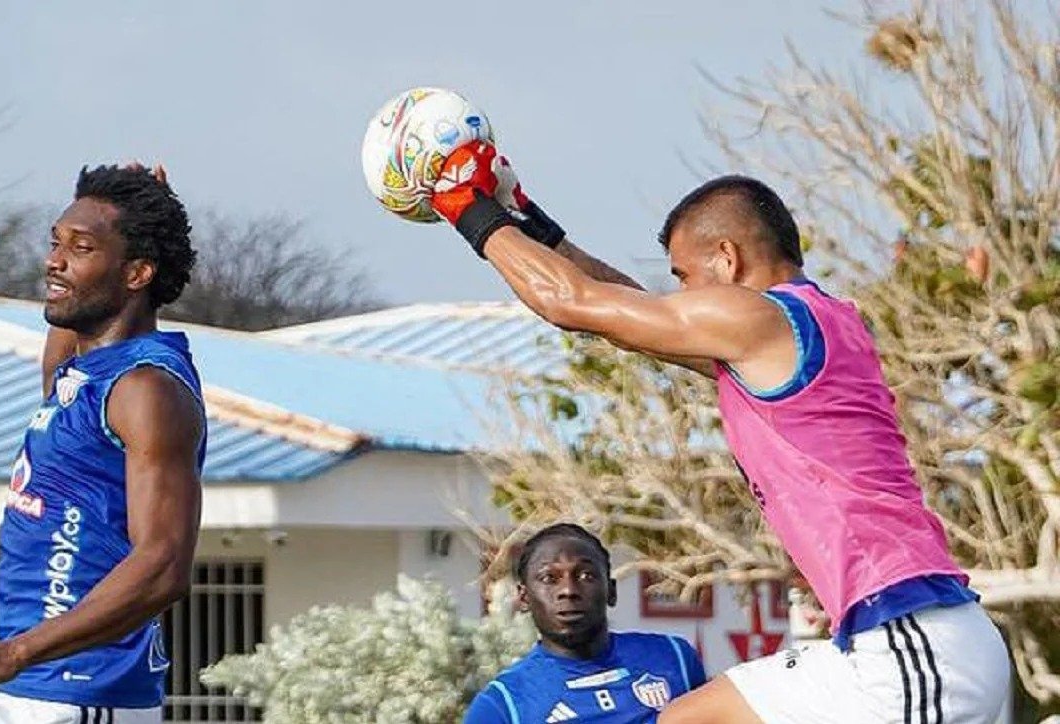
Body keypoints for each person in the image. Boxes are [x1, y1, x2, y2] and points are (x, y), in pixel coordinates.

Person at [431, 142, 1011, 723]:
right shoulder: (818, 323)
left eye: (684, 277)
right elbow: (629, 315)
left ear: (727, 260)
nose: (681, 296)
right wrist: (527, 222)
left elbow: (572, 303)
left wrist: (466, 208)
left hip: (908, 643)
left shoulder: (760, 320)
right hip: (922, 641)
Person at [0, 163, 207, 724]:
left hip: (79, 696)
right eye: (55, 242)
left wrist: (13, 652)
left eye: (81, 247)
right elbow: (69, 331)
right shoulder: (81, 375)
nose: (54, 260)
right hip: (25, 689)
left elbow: (163, 564)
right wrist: (138, 202)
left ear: (137, 272)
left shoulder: (146, 389)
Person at [466, 523, 706, 723]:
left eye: (585, 576)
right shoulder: (503, 704)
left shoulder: (675, 658)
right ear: (524, 598)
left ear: (611, 591)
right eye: (549, 578)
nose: (568, 590)